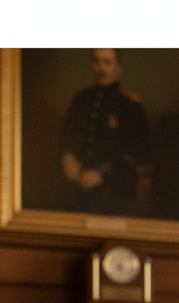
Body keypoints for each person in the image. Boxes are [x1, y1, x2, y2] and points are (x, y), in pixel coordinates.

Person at [60, 49, 151, 216]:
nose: (101, 68)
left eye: (107, 62)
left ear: (118, 68)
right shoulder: (81, 98)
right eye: (97, 62)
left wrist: (102, 175)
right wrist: (68, 158)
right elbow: (65, 136)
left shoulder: (130, 103)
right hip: (78, 185)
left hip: (115, 189)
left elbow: (140, 152)